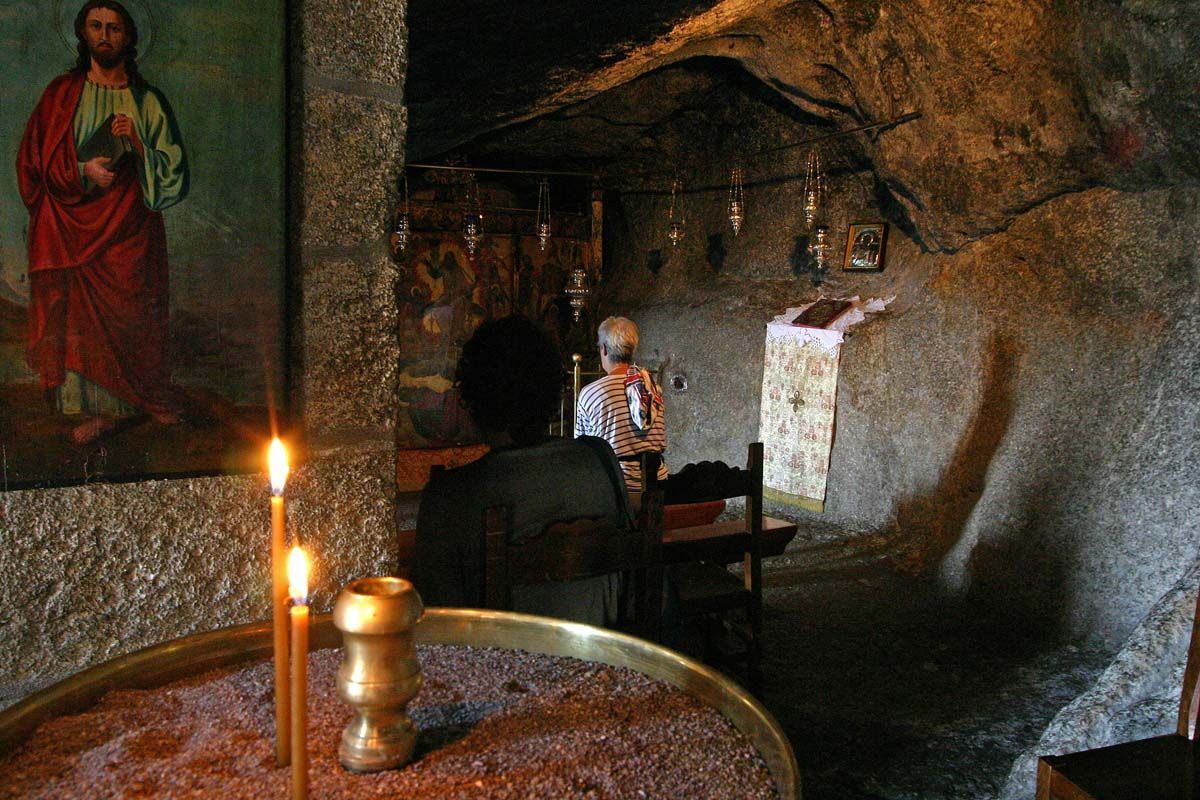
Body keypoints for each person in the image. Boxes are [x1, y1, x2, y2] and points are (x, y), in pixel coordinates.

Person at [18, 0, 189, 444]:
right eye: (96, 26)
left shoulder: (147, 100)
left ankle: (138, 401)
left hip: (129, 230)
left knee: (131, 311)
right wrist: (81, 172)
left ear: (128, 37)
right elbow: (34, 162)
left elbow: (172, 172)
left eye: (114, 28)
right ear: (83, 33)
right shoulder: (60, 95)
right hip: (72, 225)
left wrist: (136, 140)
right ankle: (92, 410)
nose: (105, 36)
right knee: (80, 314)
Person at [412, 315, 634, 626]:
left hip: (500, 669)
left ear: (475, 395)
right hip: (603, 661)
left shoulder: (449, 496)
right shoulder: (599, 460)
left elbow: (437, 622)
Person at [574, 316, 668, 495]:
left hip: (616, 488)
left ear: (604, 349)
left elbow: (582, 451)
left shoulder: (591, 393)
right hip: (657, 485)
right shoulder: (652, 388)